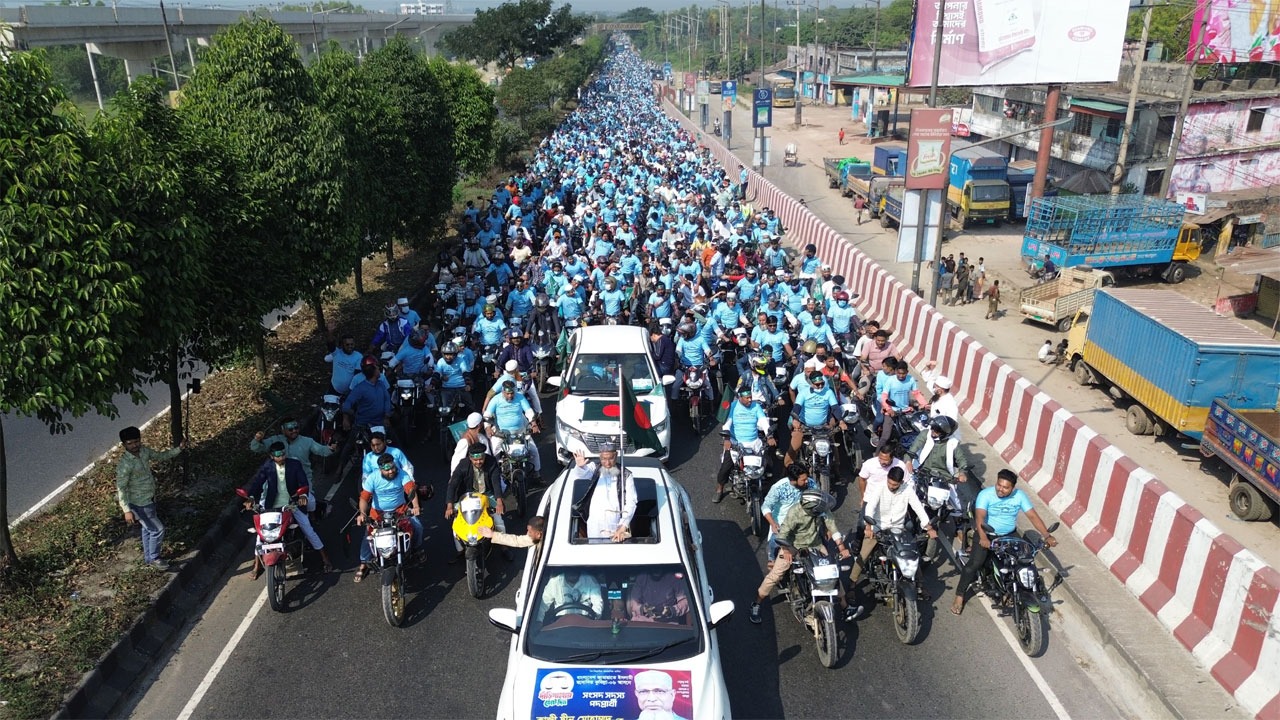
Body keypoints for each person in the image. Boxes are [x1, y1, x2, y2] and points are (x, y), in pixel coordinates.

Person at [951, 470, 1058, 615]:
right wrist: (983, 538)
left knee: (1024, 561)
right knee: (974, 564)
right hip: (987, 533)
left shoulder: (1019, 496)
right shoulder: (986, 495)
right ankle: (960, 595)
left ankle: (1026, 590)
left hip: (1009, 535)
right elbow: (980, 517)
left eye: (1005, 487)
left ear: (1013, 488)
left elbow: (1032, 516)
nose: (1000, 489)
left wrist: (1046, 535)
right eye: (999, 485)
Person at [749, 489, 857, 624]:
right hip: (793, 546)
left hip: (816, 545)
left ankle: (845, 606)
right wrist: (786, 550)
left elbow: (832, 526)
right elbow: (782, 535)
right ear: (811, 508)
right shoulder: (795, 513)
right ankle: (757, 603)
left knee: (830, 572)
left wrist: (841, 546)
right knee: (775, 575)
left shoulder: (821, 509)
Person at [243, 442, 334, 578]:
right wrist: (250, 497)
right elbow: (257, 484)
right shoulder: (267, 467)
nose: (281, 457)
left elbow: (303, 482)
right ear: (272, 456)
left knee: (308, 529)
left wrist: (303, 495)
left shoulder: (294, 464)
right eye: (278, 455)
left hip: (291, 504)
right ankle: (256, 566)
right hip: (272, 506)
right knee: (261, 535)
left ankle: (325, 558)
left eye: (283, 454)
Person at [852, 466, 936, 585]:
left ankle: (920, 584)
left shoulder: (907, 490)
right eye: (890, 483)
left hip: (898, 529)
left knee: (911, 553)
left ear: (901, 482)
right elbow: (870, 507)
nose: (891, 486)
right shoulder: (880, 488)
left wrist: (928, 527)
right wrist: (868, 527)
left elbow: (918, 507)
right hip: (878, 527)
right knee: (863, 554)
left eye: (895, 484)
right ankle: (852, 583)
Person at [116, 426, 185, 570]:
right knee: (157, 529)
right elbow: (121, 488)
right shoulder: (125, 465)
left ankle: (149, 558)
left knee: (147, 529)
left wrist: (179, 449)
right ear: (124, 445)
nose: (134, 445)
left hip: (150, 498)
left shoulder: (144, 452)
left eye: (136, 441)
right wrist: (126, 510)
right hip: (138, 503)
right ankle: (154, 558)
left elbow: (160, 456)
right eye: (130, 443)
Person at [353, 452, 423, 583]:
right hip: (378, 514)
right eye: (387, 470)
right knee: (368, 536)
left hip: (400, 511)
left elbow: (410, 491)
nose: (391, 471)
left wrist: (416, 506)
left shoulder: (402, 474)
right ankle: (364, 563)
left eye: (392, 467)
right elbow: (364, 498)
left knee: (417, 526)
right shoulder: (373, 478)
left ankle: (417, 550)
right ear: (380, 469)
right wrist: (362, 514)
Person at [714, 385, 775, 503]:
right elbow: (727, 424)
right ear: (740, 398)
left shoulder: (756, 406)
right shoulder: (732, 407)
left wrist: (770, 435)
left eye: (750, 397)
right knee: (724, 469)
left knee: (769, 466)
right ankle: (719, 489)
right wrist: (727, 439)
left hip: (754, 443)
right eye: (747, 398)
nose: (750, 400)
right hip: (736, 444)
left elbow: (763, 421)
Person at [569, 442, 636, 542]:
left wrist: (623, 525)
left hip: (615, 523)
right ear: (600, 457)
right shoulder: (594, 468)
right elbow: (582, 474)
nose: (607, 463)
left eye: (611, 458)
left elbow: (631, 502)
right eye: (604, 459)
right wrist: (581, 466)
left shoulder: (625, 475)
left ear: (616, 456)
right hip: (594, 523)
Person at [484, 380, 542, 481]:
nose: (510, 396)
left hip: (520, 431)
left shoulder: (520, 397)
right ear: (502, 392)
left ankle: (537, 474)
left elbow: (528, 411)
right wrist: (488, 428)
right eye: (508, 393)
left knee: (533, 451)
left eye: (512, 393)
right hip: (501, 434)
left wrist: (533, 423)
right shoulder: (495, 400)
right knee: (494, 452)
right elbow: (487, 415)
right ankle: (496, 476)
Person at [251, 416, 336, 484]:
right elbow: (256, 448)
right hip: (281, 480)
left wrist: (331, 449)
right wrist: (257, 439)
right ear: (283, 430)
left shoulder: (307, 441)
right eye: (290, 429)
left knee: (307, 502)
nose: (294, 431)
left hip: (303, 479)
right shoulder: (275, 440)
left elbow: (322, 450)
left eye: (296, 428)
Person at [761, 463, 818, 564]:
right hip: (783, 523)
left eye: (807, 478)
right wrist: (773, 523)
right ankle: (772, 558)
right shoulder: (778, 488)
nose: (807, 481)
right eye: (803, 480)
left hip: (805, 520)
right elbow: (766, 506)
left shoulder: (811, 484)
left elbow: (818, 501)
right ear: (793, 480)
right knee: (775, 541)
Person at [342, 356, 392, 432]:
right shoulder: (360, 388)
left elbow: (387, 400)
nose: (379, 370)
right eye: (378, 369)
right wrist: (346, 418)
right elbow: (347, 403)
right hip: (363, 424)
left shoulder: (381, 385)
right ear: (374, 372)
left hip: (380, 423)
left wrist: (386, 417)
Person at [538, 568, 604, 620]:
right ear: (565, 568)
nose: (572, 571)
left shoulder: (590, 580)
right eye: (570, 568)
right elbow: (543, 604)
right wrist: (539, 621)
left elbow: (598, 602)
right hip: (559, 623)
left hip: (585, 621)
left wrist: (595, 619)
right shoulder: (554, 582)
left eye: (575, 568)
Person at [479, 515, 545, 548]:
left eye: (530, 532)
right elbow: (516, 540)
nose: (527, 534)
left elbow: (517, 541)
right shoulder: (538, 535)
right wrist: (493, 534)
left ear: (538, 534)